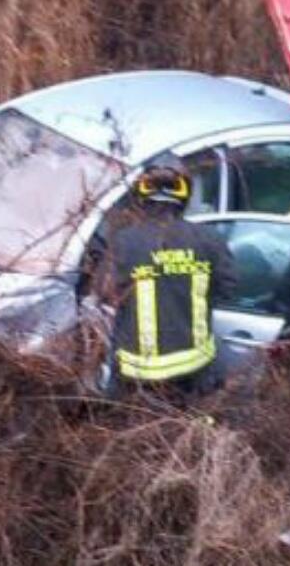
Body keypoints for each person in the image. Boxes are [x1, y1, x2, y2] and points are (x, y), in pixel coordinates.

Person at [93, 151, 237, 403]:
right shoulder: (209, 240)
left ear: (142, 196)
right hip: (193, 370)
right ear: (184, 196)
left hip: (137, 375)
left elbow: (103, 292)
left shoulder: (123, 241)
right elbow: (228, 289)